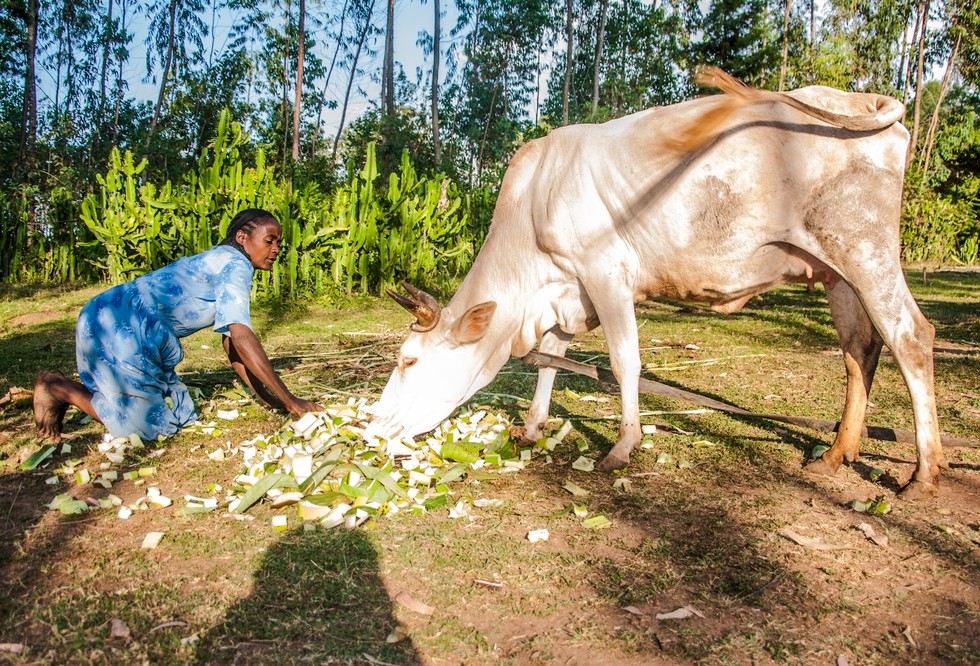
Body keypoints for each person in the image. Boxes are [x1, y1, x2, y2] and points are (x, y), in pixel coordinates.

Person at [33, 208, 322, 442]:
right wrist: (290, 400)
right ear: (243, 237)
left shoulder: (223, 260)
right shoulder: (236, 266)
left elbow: (233, 346)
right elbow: (242, 336)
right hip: (121, 322)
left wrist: (271, 401)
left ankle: (100, 393)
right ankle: (58, 387)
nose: (275, 249)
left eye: (279, 243)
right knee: (147, 426)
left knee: (181, 415)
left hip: (112, 313)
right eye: (269, 240)